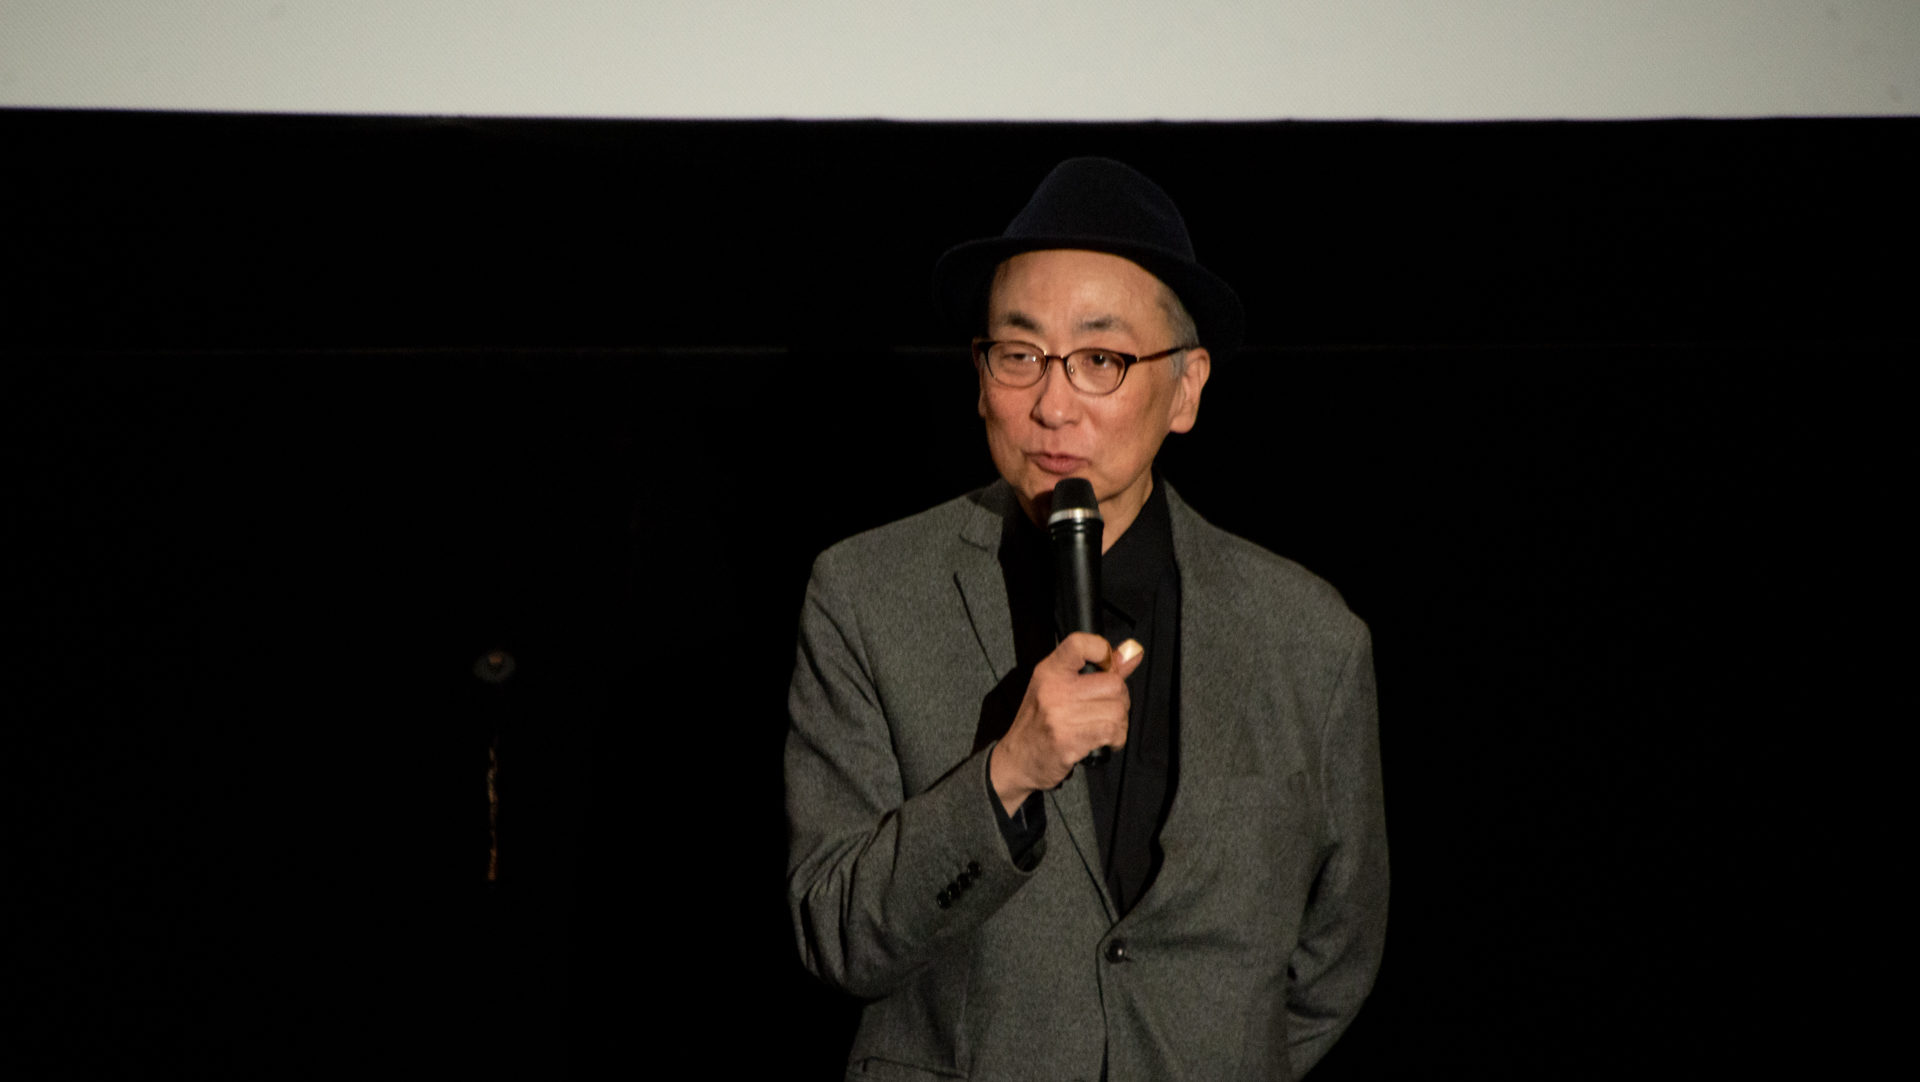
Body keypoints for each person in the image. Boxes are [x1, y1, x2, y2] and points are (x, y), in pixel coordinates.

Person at [785, 157, 1386, 1081]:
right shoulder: (867, 593)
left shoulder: (1308, 637)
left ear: (1185, 389)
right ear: (980, 375)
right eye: (1019, 355)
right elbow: (836, 930)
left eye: (1101, 360)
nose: (1052, 403)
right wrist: (1009, 773)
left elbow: (1334, 956)